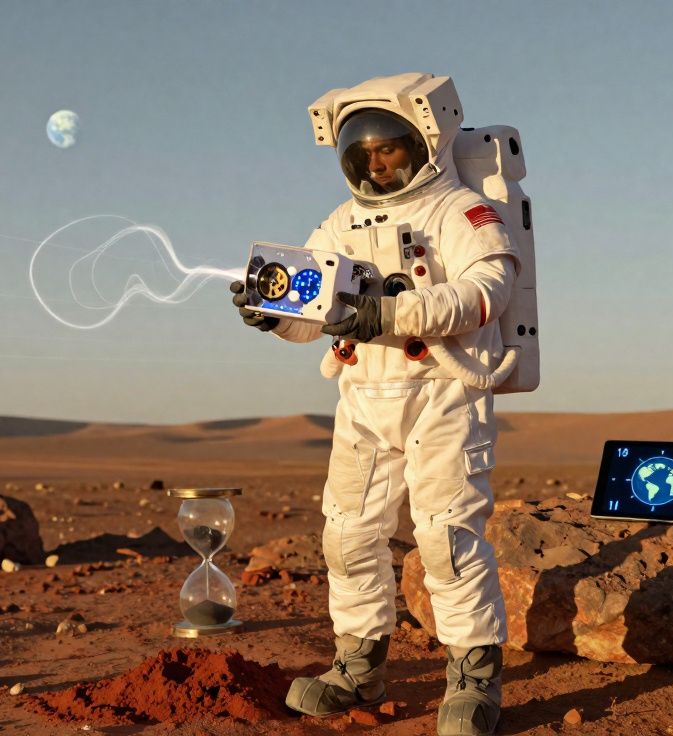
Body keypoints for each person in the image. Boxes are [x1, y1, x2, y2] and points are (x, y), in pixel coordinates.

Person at [230, 73, 520, 736]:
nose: (377, 164)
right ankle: (358, 665)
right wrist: (274, 313)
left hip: (442, 392)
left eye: (389, 150)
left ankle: (473, 678)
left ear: (426, 142)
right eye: (364, 156)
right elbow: (313, 314)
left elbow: (487, 292)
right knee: (347, 534)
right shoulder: (341, 223)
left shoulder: (462, 211)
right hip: (364, 396)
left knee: (445, 536)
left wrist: (391, 313)